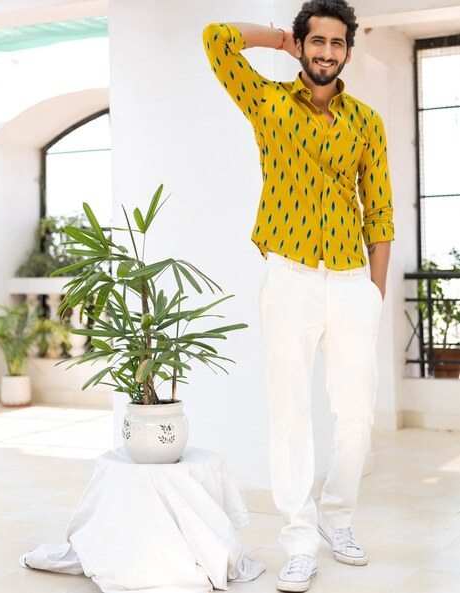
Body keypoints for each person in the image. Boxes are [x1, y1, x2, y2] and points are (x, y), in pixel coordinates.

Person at [203, 0, 394, 591]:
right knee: (290, 417)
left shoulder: (366, 122)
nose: (327, 53)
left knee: (356, 416)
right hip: (288, 279)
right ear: (305, 44)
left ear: (348, 53)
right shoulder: (265, 103)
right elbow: (215, 39)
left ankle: (338, 518)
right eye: (317, 42)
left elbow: (380, 215)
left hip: (350, 281)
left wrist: (374, 296)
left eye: (337, 45)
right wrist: (278, 40)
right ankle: (298, 540)